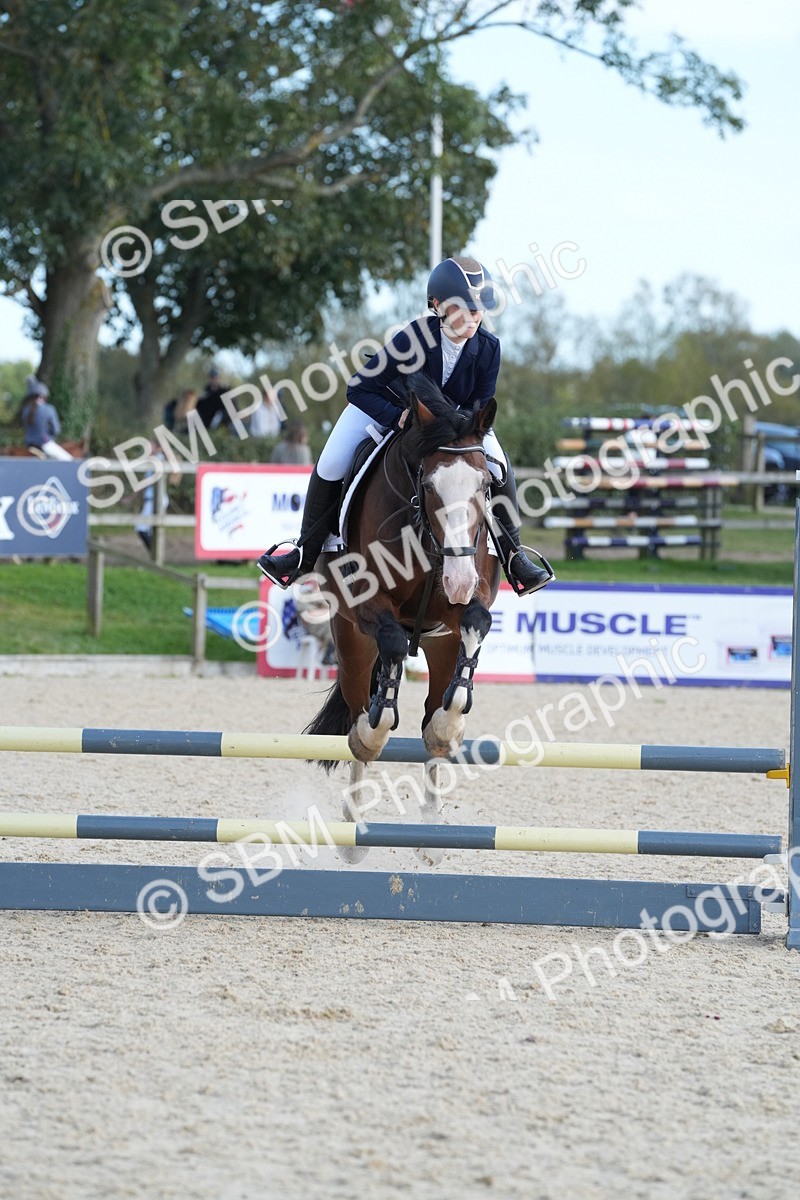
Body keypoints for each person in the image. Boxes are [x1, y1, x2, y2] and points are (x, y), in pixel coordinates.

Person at [257, 255, 554, 596]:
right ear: (438, 305)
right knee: (332, 462)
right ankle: (302, 555)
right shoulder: (413, 337)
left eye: (479, 310)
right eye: (464, 309)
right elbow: (358, 388)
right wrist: (395, 415)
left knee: (500, 468)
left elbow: (479, 407)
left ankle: (514, 556)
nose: (474, 318)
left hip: (454, 425)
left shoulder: (489, 348)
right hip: (384, 407)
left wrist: (453, 426)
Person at [20, 378, 74, 460]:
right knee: (69, 459)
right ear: (43, 396)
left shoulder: (25, 410)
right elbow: (56, 430)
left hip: (28, 444)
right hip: (44, 443)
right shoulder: (49, 409)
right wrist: (49, 435)